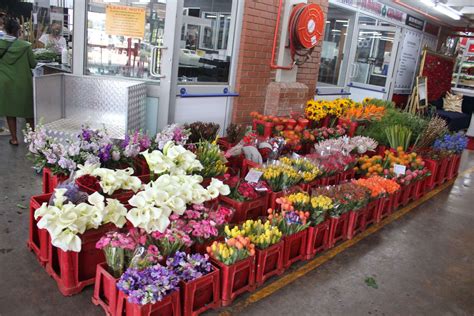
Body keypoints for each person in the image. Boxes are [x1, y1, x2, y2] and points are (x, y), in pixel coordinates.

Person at [0, 17, 37, 146]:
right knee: (28, 111)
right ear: (18, 31)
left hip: (5, 82)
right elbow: (33, 64)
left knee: (10, 111)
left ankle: (14, 139)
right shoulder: (25, 46)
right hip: (23, 82)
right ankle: (33, 139)